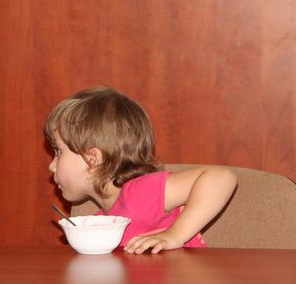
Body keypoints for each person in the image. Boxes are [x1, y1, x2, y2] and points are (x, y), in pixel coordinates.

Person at [44, 86, 237, 254]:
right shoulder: (103, 222)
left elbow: (221, 177)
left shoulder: (140, 193)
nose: (51, 166)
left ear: (93, 159)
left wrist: (176, 234)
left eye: (59, 152)